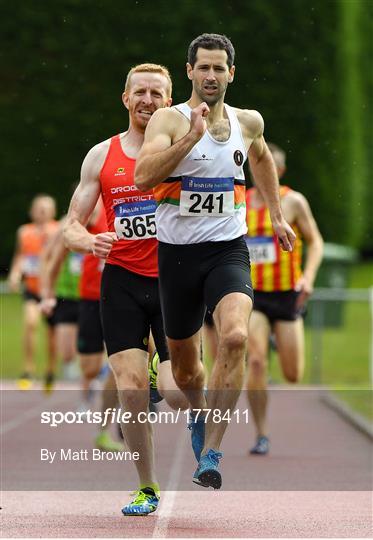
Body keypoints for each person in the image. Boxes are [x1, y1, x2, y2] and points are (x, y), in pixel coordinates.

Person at [134, 33, 296, 490]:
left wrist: (278, 217)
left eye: (218, 68)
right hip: (178, 256)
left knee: (237, 334)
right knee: (186, 372)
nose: (210, 75)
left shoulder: (250, 121)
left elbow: (261, 160)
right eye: (202, 67)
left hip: (228, 249)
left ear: (231, 73)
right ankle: (199, 416)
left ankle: (212, 450)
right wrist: (191, 138)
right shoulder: (169, 118)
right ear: (189, 72)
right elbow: (144, 176)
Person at [63, 63, 188, 516]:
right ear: (125, 98)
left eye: (157, 92)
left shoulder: (186, 152)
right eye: (140, 92)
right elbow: (71, 225)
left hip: (175, 281)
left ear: (170, 100)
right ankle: (147, 487)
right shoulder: (102, 154)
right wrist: (89, 240)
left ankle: (164, 373)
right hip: (121, 283)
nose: (148, 100)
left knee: (176, 394)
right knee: (130, 388)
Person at [245, 142, 323, 455]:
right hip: (254, 296)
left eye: (269, 168)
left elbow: (316, 242)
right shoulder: (242, 202)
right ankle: (261, 434)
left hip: (287, 296)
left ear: (279, 171)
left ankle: (278, 340)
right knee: (256, 360)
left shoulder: (294, 202)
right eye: (255, 166)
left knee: (293, 375)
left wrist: (309, 277)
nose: (261, 172)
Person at [8, 194, 59, 389]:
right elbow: (20, 256)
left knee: (53, 333)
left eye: (46, 208)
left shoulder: (58, 230)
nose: (42, 211)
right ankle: (28, 369)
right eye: (39, 208)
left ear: (53, 211)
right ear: (32, 211)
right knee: (30, 324)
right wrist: (14, 274)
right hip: (32, 287)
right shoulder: (24, 231)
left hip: (52, 290)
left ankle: (51, 370)